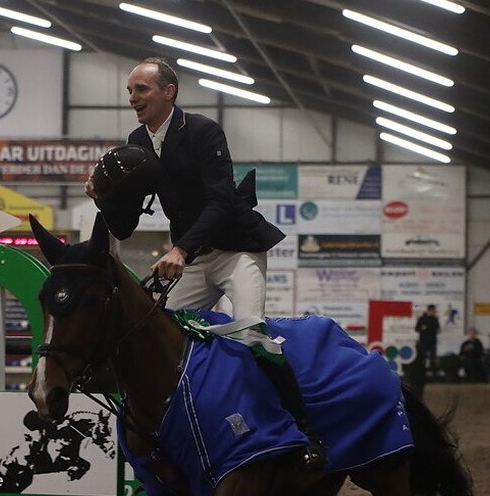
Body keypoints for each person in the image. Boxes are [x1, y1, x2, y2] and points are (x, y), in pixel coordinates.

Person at [84, 58, 324, 470]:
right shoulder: (137, 139)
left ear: (168, 91)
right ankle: (171, 446)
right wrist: (102, 198)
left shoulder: (202, 131)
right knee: (151, 337)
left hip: (236, 252)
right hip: (192, 258)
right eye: (129, 91)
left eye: (141, 89)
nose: (132, 98)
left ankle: (303, 430)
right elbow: (123, 227)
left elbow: (221, 203)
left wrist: (180, 251)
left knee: (252, 334)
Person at [415, 304, 440, 378]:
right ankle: (422, 375)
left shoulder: (435, 319)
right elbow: (416, 329)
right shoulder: (422, 319)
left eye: (434, 311)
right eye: (433, 310)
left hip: (432, 342)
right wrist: (421, 328)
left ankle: (433, 376)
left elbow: (438, 329)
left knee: (433, 360)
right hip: (423, 342)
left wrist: (434, 330)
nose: (434, 312)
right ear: (429, 310)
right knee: (423, 359)